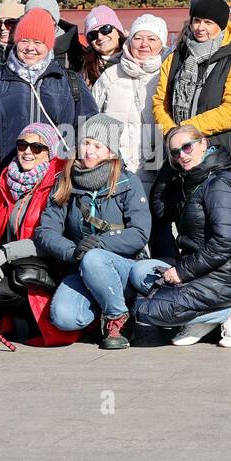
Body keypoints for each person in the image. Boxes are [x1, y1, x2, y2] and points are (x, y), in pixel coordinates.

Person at [34, 114, 152, 349]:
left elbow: (140, 233)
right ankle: (101, 307)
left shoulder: (128, 182)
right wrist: (73, 251)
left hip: (123, 266)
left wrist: (100, 244)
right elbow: (45, 231)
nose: (89, 151)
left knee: (95, 258)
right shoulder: (65, 182)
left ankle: (119, 318)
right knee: (64, 318)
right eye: (86, 143)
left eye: (98, 146)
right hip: (80, 264)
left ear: (110, 152)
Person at [133, 124, 231, 347]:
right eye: (175, 152)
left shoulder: (219, 184)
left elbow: (224, 242)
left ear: (203, 143)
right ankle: (203, 316)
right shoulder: (189, 179)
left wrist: (181, 273)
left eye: (187, 148)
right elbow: (160, 211)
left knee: (147, 312)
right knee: (139, 273)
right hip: (198, 270)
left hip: (225, 275)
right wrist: (169, 168)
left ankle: (230, 313)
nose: (182, 156)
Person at [0, 121, 78, 346]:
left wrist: (5, 252)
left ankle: (26, 318)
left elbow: (48, 240)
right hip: (6, 257)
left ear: (50, 152)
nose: (27, 152)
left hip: (43, 260)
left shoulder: (59, 182)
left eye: (37, 148)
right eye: (22, 145)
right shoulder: (7, 178)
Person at [0, 6, 93, 192]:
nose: (30, 48)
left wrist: (79, 163)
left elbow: (91, 125)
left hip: (57, 180)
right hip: (9, 179)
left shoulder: (70, 81)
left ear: (49, 45)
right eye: (25, 40)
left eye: (38, 42)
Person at [153, 0, 231, 167]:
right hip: (178, 154)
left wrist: (187, 129)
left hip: (217, 156)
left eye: (208, 22)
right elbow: (160, 102)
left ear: (221, 25)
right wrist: (171, 131)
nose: (200, 27)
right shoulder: (175, 57)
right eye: (196, 20)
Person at [92, 13, 168, 198]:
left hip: (157, 172)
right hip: (116, 173)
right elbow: (92, 121)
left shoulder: (168, 74)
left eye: (152, 39)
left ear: (162, 43)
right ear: (129, 41)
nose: (144, 44)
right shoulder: (110, 76)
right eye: (138, 38)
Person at [24, 0, 85, 73]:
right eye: (30, 17)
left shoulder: (74, 51)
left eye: (41, 16)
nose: (35, 21)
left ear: (54, 19)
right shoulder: (22, 49)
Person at [81, 4, 125, 87]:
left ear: (118, 32)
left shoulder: (136, 59)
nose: (100, 37)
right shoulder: (84, 69)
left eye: (105, 29)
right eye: (92, 35)